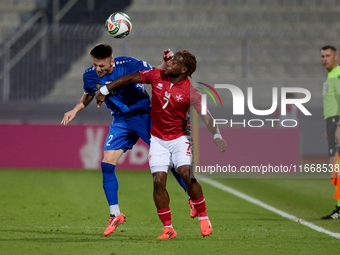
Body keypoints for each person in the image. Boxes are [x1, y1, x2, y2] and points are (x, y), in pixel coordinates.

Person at [60, 43, 196, 236]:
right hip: (121, 121)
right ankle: (115, 214)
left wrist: (163, 63)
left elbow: (153, 72)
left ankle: (192, 198)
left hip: (144, 115)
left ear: (111, 61)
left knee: (171, 159)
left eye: (102, 66)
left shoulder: (129, 63)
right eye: (96, 65)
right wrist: (75, 109)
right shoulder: (89, 75)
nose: (98, 69)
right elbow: (88, 95)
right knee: (107, 163)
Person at [95, 50, 227, 239]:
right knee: (158, 182)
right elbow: (130, 78)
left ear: (184, 69)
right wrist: (105, 90)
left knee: (185, 174)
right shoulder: (157, 76)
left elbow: (206, 116)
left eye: (174, 63)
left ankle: (204, 218)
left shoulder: (192, 92)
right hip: (158, 139)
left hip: (180, 138)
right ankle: (168, 228)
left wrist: (217, 136)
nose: (169, 64)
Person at [320, 45, 340, 219]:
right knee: (336, 168)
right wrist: (330, 129)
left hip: (337, 122)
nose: (324, 59)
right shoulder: (330, 77)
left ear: (336, 57)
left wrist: (339, 125)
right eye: (322, 56)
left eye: (328, 55)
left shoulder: (338, 75)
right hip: (332, 123)